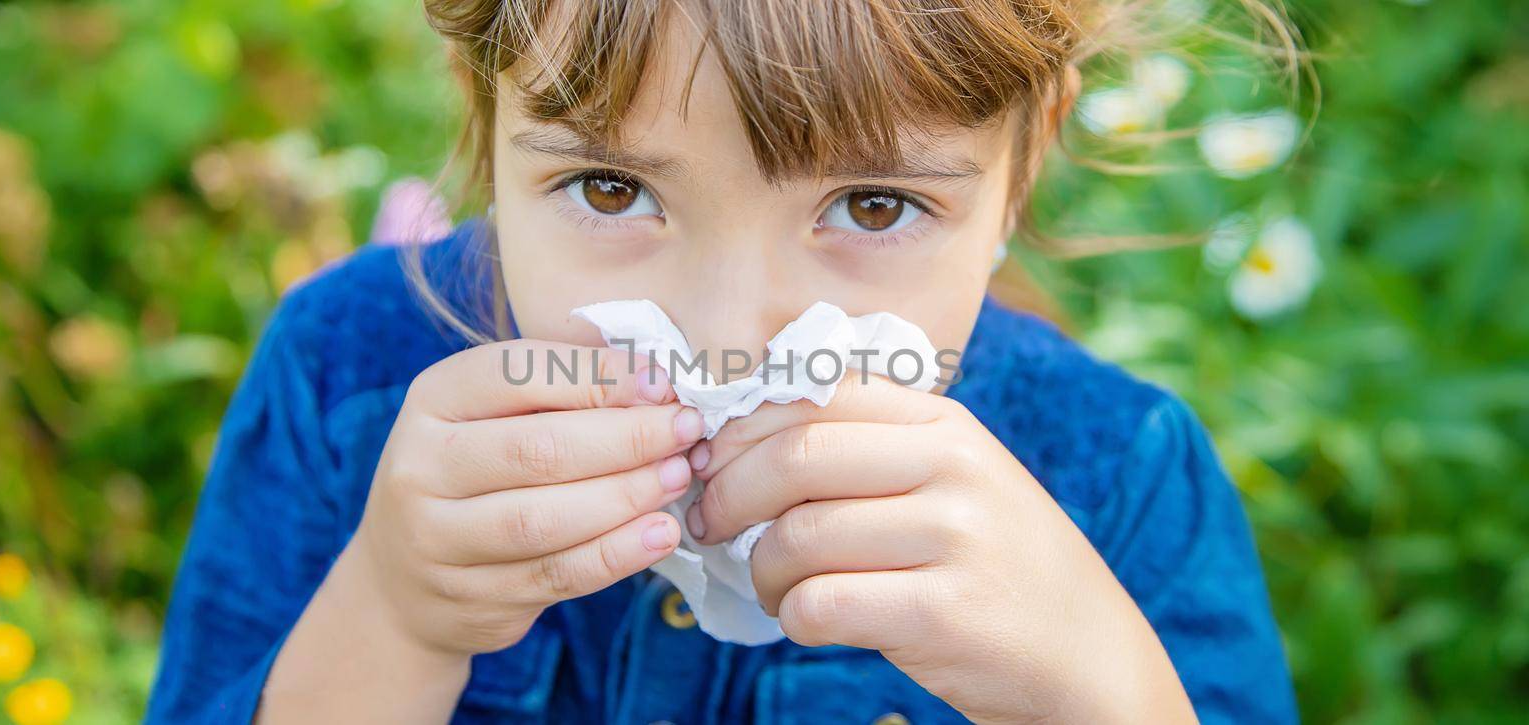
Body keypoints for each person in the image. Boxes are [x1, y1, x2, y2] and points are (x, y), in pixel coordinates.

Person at [148, 0, 1299, 722]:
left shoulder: (1121, 483)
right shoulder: (346, 377)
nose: (727, 335)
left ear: (1021, 167)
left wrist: (1098, 694)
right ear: (487, 123)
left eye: (874, 204)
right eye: (612, 188)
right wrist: (396, 614)